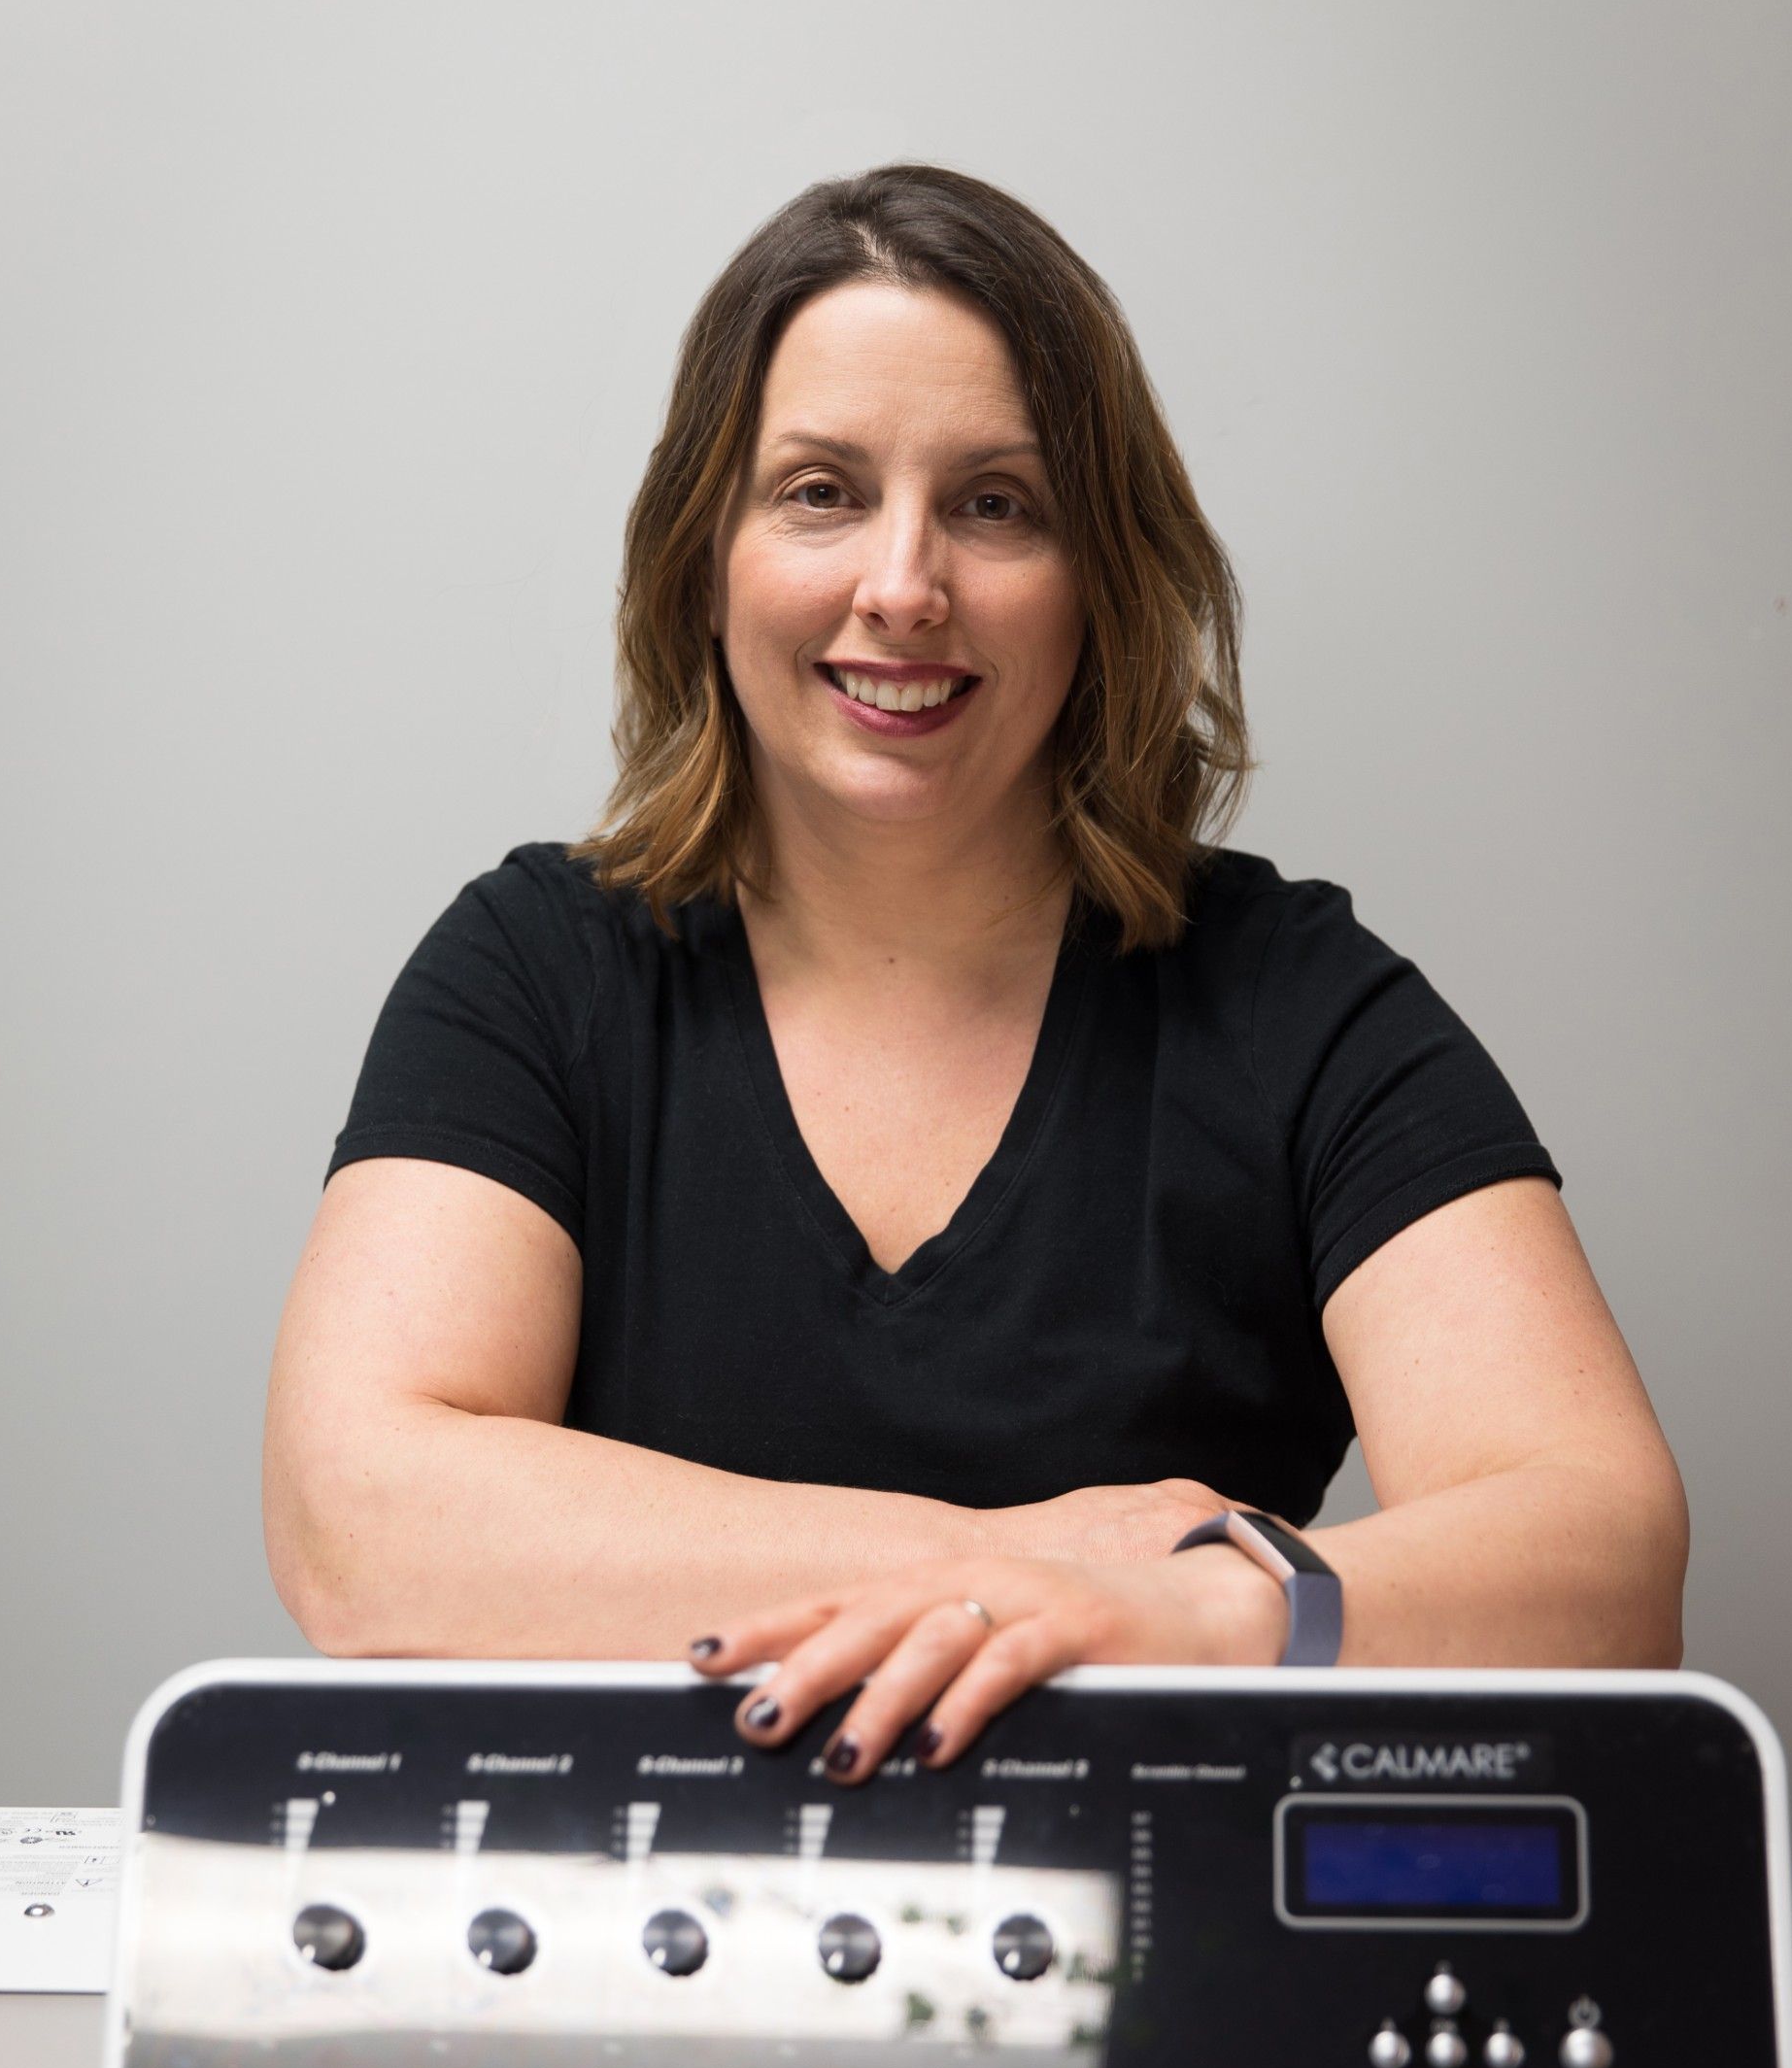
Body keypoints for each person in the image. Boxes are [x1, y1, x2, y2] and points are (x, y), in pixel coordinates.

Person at [262, 163, 1687, 1787]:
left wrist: (1197, 1615)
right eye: (820, 491)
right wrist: (1026, 1564)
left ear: (1102, 580)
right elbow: (356, 1521)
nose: (903, 585)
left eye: (997, 502)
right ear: (703, 559)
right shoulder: (534, 970)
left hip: (1164, 1984)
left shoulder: (1300, 1006)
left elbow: (1608, 1562)